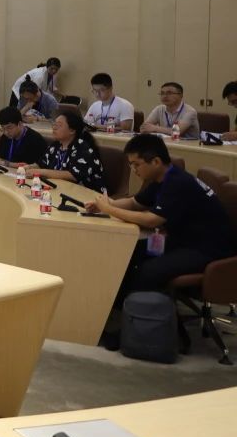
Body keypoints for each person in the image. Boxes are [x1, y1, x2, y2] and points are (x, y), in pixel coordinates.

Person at [87, 134, 236, 344]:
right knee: (129, 251)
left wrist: (109, 209)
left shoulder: (178, 182)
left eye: (137, 164)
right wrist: (105, 205)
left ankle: (138, 329)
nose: (134, 170)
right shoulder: (162, 178)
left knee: (149, 271)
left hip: (208, 250)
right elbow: (136, 203)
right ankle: (120, 312)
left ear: (156, 161)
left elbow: (152, 220)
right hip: (185, 241)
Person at [26, 111, 106, 192]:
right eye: (54, 124)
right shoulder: (56, 145)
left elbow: (72, 175)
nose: (54, 127)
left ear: (72, 130)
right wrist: (28, 167)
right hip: (62, 190)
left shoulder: (82, 148)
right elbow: (41, 164)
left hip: (88, 193)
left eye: (59, 125)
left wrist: (40, 172)